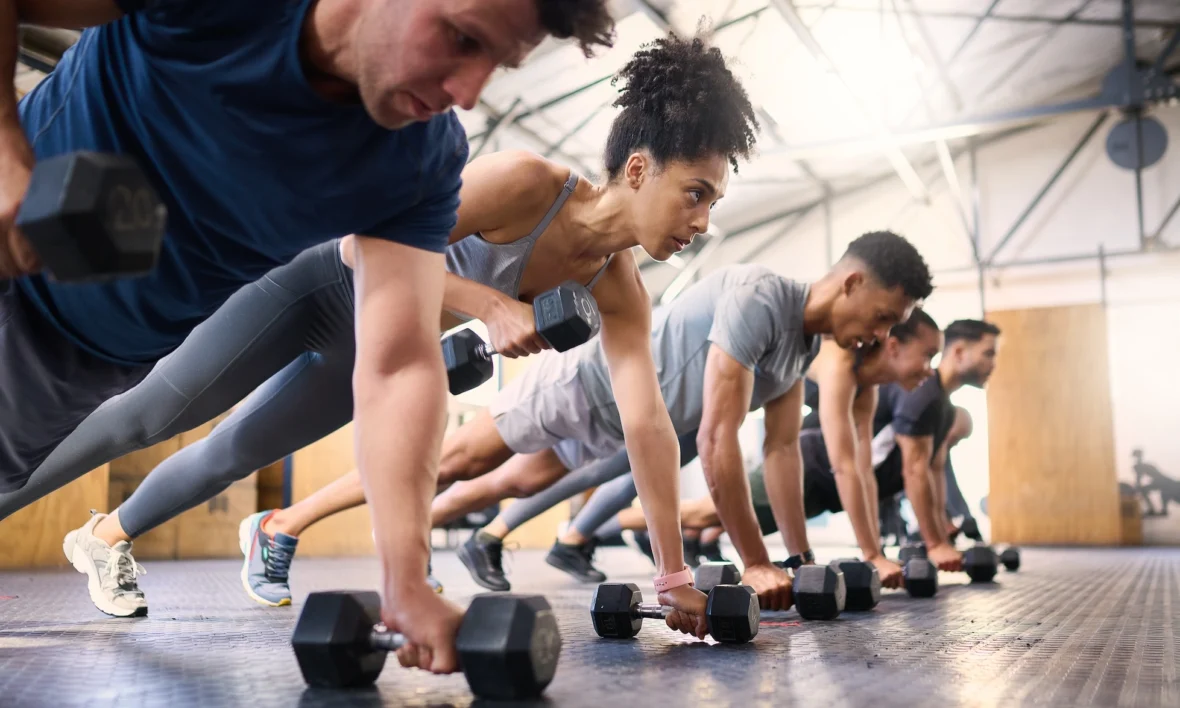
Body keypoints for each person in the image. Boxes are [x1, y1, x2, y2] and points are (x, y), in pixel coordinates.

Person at [6, 33, 760, 639]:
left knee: (231, 453)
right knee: (149, 415)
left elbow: (648, 426)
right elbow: (369, 243)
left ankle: (104, 538)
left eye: (713, 203)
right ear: (637, 168)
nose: (701, 222)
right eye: (695, 194)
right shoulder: (530, 183)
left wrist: (672, 578)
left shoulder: (619, 290)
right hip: (318, 285)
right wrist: (490, 306)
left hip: (378, 345)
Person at [426, 231, 933, 610]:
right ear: (852, 283)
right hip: (590, 383)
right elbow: (718, 437)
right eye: (885, 315)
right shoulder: (760, 296)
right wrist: (756, 561)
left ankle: (461, 533)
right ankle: (411, 534)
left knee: (513, 479)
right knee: (462, 460)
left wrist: (798, 562)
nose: (881, 333)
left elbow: (781, 453)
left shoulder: (802, 351)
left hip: (641, 423)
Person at [480, 308, 942, 589]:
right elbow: (845, 465)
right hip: (693, 396)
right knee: (595, 471)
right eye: (881, 320)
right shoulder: (838, 358)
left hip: (710, 407)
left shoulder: (869, 384)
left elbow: (856, 465)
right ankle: (505, 533)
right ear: (891, 340)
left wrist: (872, 552)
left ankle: (573, 540)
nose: (928, 369)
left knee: (621, 480)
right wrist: (871, 555)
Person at [607, 405, 979, 556]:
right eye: (953, 436)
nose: (950, 443)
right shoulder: (911, 431)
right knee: (706, 512)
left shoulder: (929, 454)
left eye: (957, 441)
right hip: (808, 469)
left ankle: (684, 540)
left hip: (820, 492)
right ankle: (597, 526)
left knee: (723, 522)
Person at [885, 318, 1000, 572]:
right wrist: (935, 544)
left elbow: (935, 472)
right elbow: (914, 471)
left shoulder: (944, 407)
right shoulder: (923, 393)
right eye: (988, 354)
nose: (993, 364)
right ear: (959, 352)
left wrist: (941, 538)